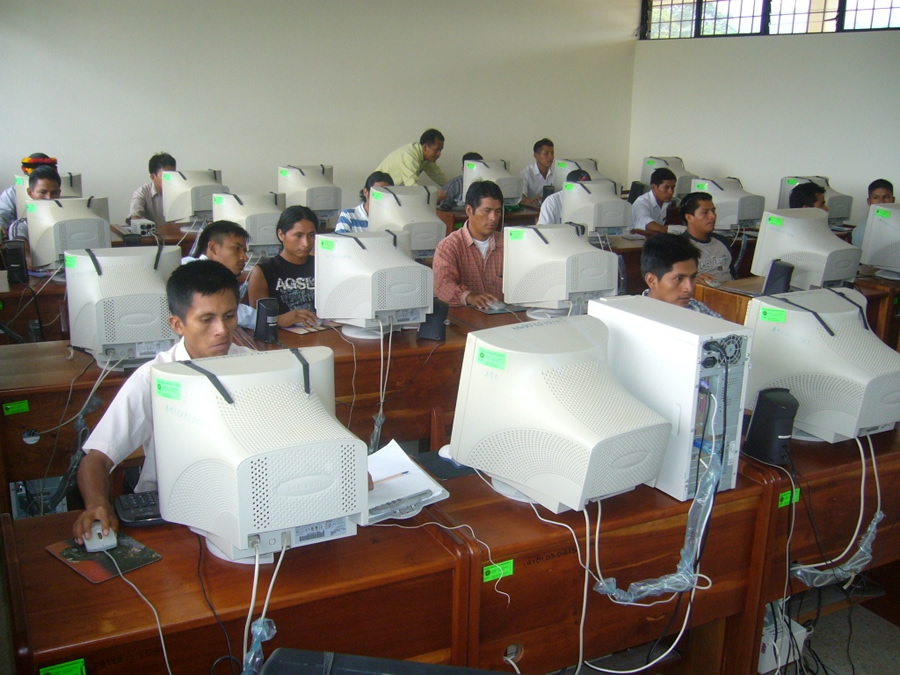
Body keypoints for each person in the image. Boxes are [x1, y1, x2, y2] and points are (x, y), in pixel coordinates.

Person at [72, 260, 251, 543]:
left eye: (229, 316)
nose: (221, 330)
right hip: (169, 515)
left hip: (245, 505)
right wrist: (97, 505)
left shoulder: (259, 367)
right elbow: (96, 459)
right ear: (178, 324)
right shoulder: (152, 378)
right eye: (207, 319)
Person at [433, 180, 504, 310]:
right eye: (487, 211)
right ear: (469, 210)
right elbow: (442, 286)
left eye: (498, 211)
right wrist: (469, 297)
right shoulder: (449, 246)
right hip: (465, 319)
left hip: (503, 318)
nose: (493, 218)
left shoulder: (507, 245)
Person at [247, 205, 319, 326]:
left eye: (311, 235)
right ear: (281, 235)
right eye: (298, 235)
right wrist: (280, 319)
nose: (306, 243)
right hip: (282, 338)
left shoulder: (321, 265)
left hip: (321, 331)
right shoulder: (264, 271)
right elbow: (257, 320)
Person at [640, 233, 721, 317]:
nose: (689, 288)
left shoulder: (698, 309)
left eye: (692, 277)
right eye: (679, 278)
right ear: (652, 281)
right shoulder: (633, 319)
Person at [6, 166, 63, 265]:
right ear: (30, 193)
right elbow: (23, 253)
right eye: (43, 192)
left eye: (54, 193)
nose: (49, 198)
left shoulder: (70, 221)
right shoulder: (20, 226)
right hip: (38, 278)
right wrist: (28, 257)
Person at [680, 191, 735, 284]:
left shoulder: (722, 241)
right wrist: (692, 281)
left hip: (731, 292)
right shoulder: (679, 247)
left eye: (713, 211)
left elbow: (733, 273)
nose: (712, 216)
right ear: (689, 217)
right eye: (705, 212)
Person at [0, 153, 57, 232]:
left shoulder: (58, 189)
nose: (48, 197)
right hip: (22, 233)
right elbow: (2, 212)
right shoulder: (12, 193)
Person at [375, 129, 448, 187]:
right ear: (425, 147)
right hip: (376, 195)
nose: (439, 154)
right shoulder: (410, 156)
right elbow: (412, 187)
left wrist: (454, 188)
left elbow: (439, 176)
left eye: (440, 150)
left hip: (390, 194)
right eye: (437, 150)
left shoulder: (426, 159)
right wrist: (433, 197)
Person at [128, 152, 177, 225]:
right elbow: (135, 218)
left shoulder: (181, 191)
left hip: (178, 234)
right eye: (166, 176)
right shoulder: (142, 192)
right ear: (153, 177)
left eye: (173, 175)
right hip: (153, 235)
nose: (171, 179)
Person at [632, 167, 677, 234]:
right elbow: (648, 224)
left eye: (673, 187)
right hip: (636, 241)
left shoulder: (666, 203)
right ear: (653, 187)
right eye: (666, 188)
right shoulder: (642, 202)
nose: (671, 192)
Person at [852, 179, 894, 246]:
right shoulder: (862, 229)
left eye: (886, 197)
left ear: (893, 200)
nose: (881, 202)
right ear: (869, 202)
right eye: (876, 198)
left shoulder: (896, 220)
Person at [520, 138, 556, 205]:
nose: (551, 157)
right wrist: (530, 200)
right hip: (532, 211)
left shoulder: (557, 172)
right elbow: (521, 196)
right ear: (536, 155)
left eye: (552, 153)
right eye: (546, 153)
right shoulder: (526, 173)